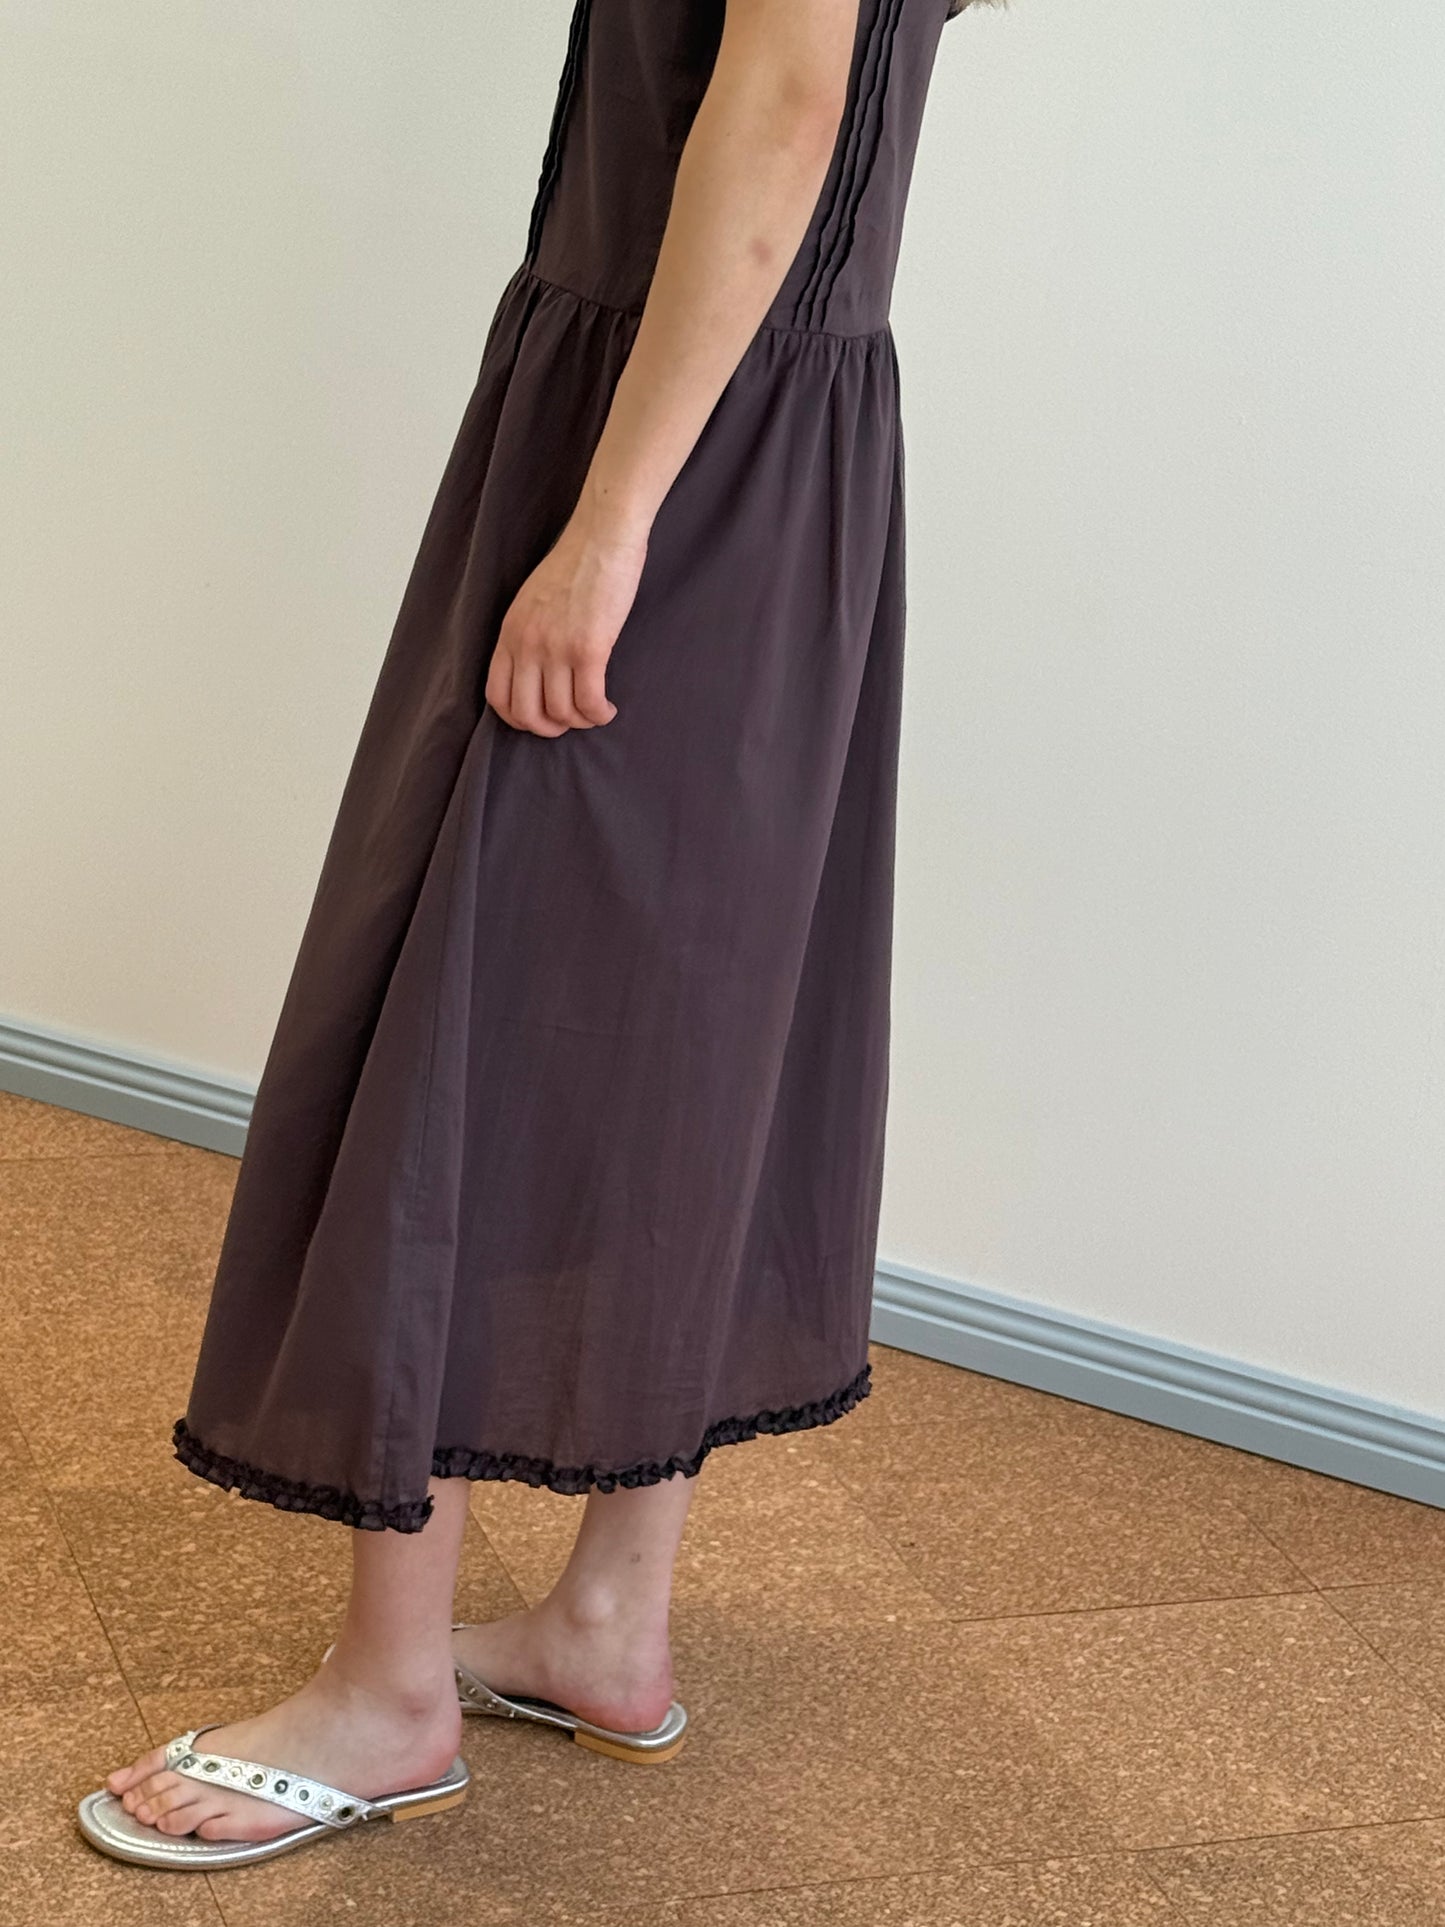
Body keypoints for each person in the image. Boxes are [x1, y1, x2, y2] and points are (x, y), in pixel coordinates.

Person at [79, 0, 983, 1870]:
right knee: (671, 1029)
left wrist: (609, 524)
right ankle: (599, 1627)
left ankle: (391, 1696)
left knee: (467, 1012)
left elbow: (789, 98)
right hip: (748, 424)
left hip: (675, 441)